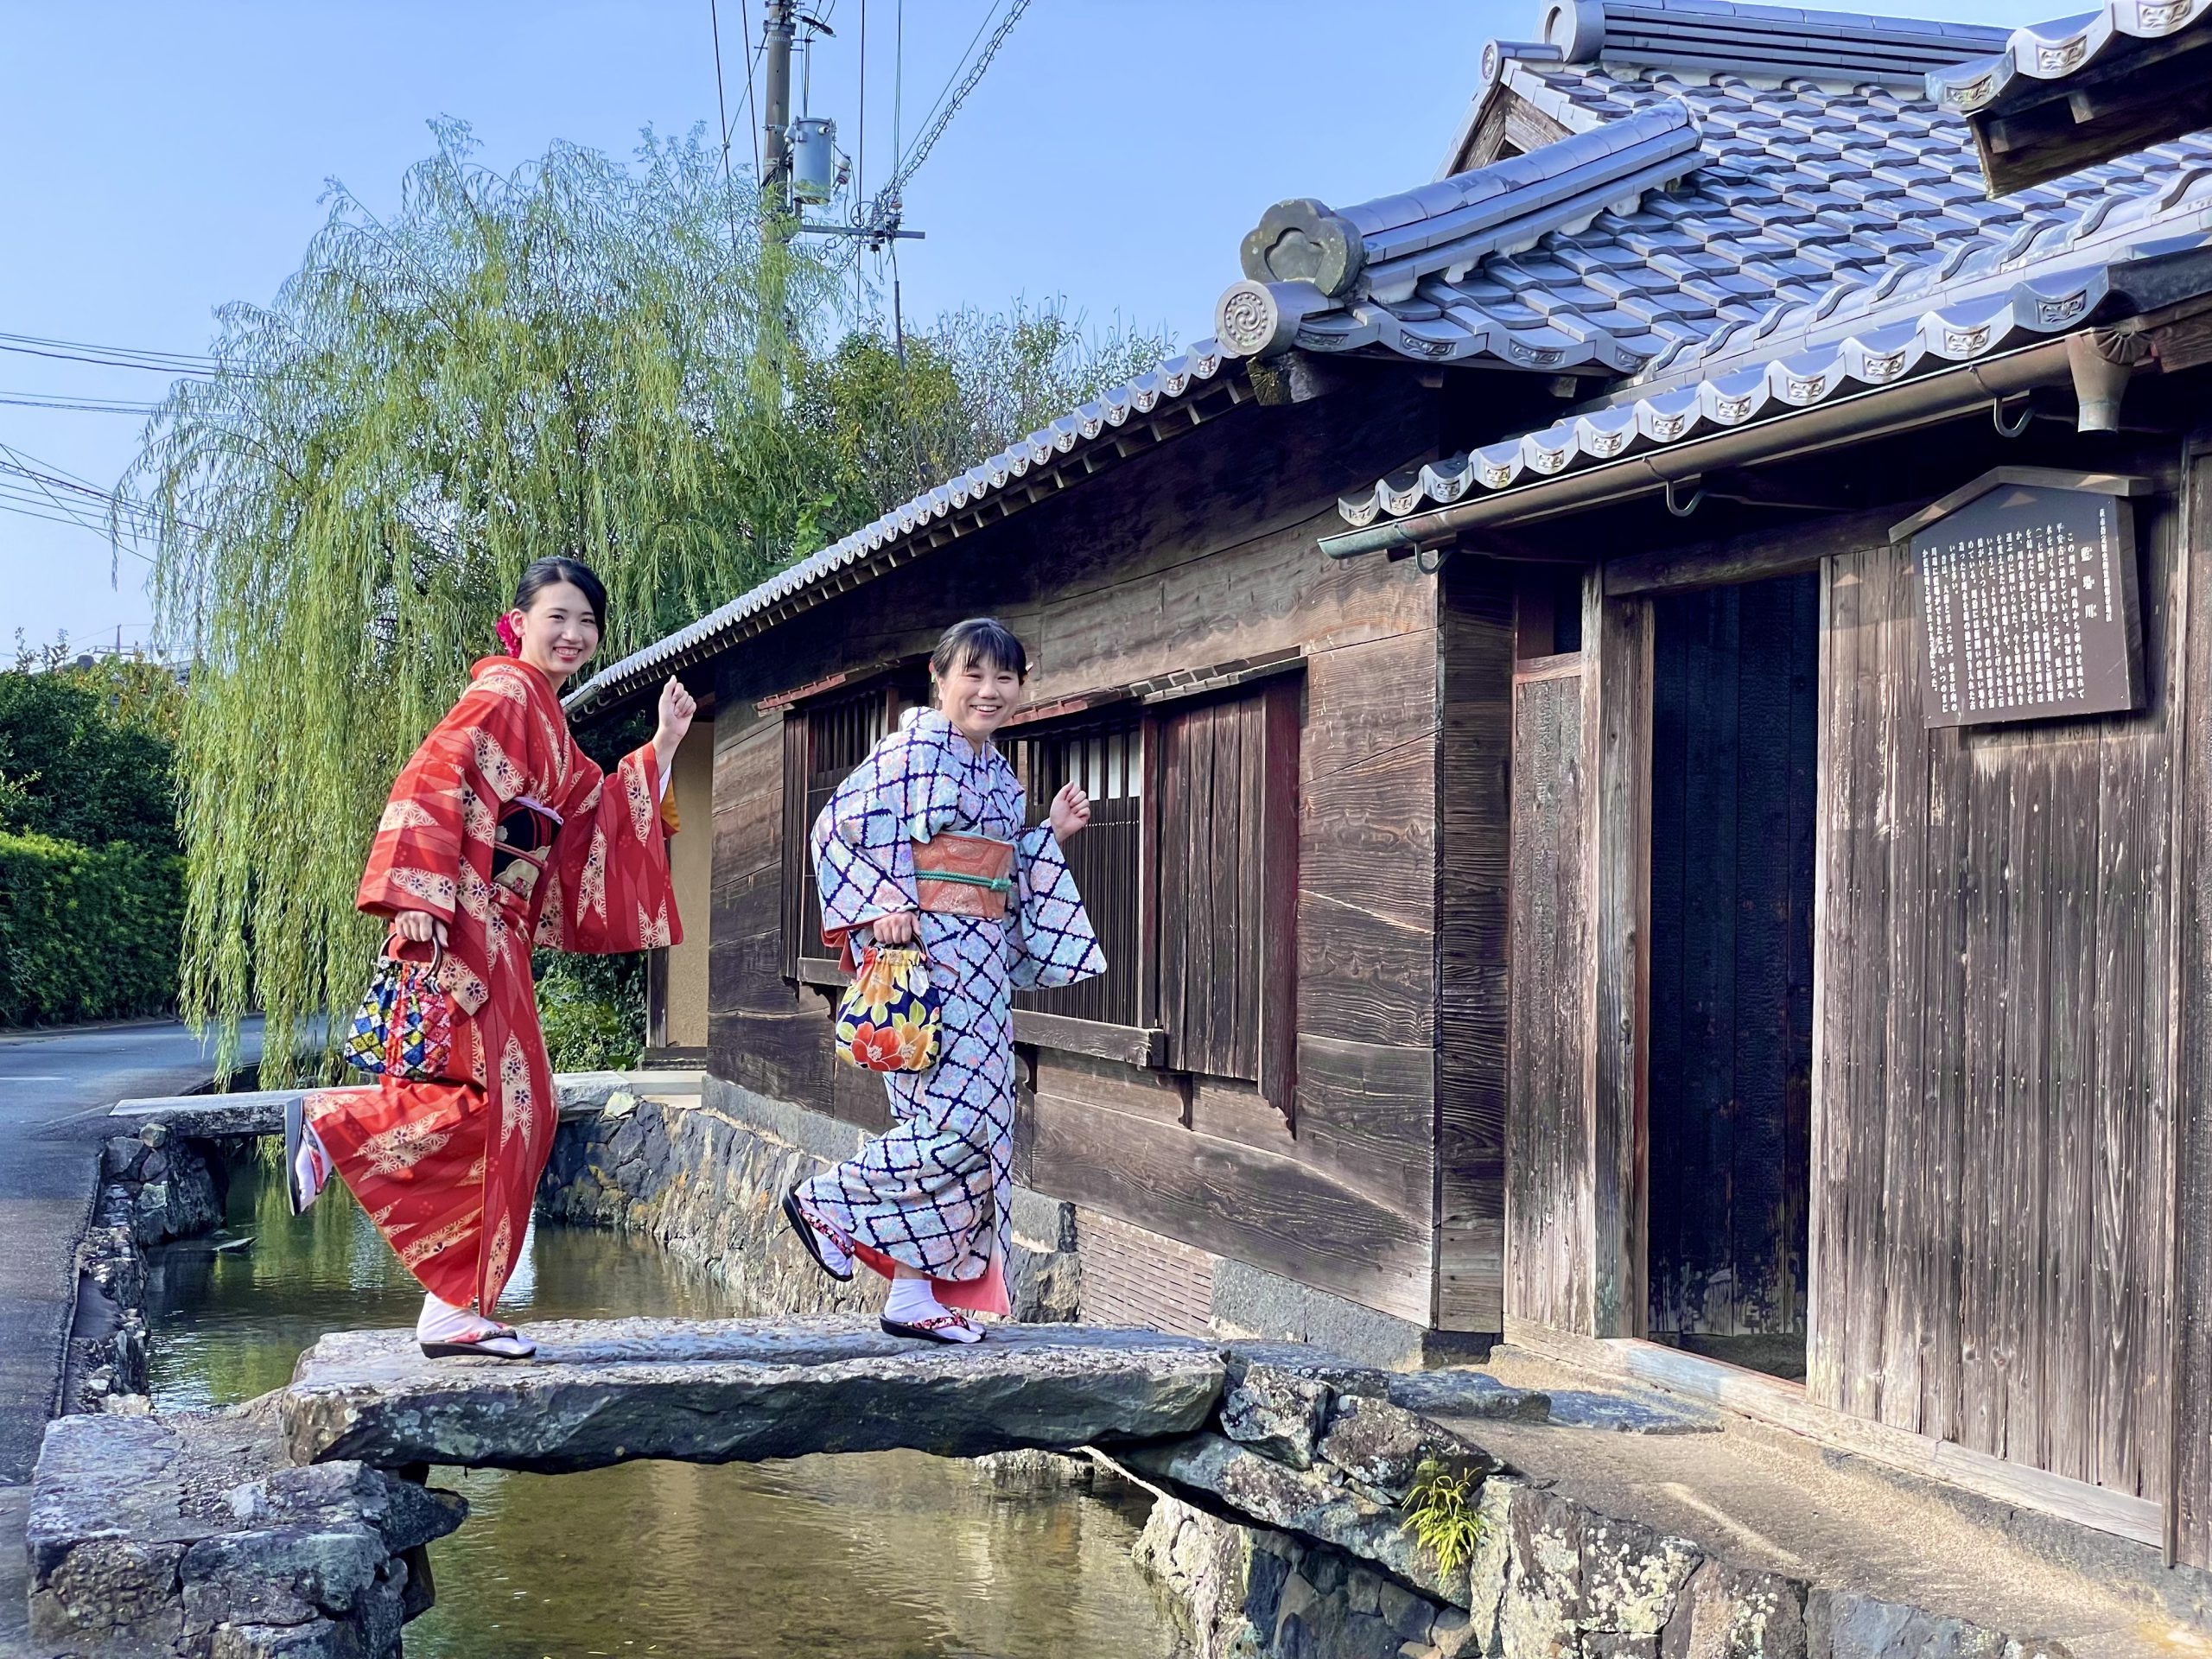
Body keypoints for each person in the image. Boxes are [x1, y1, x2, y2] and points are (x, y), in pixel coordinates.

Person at [284, 556, 695, 1358]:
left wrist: (665, 746)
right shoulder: (506, 693)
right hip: (467, 915)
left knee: (520, 1106)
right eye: (558, 617)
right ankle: (343, 1136)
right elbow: (432, 776)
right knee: (514, 1104)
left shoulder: (551, 722)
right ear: (520, 622)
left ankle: (451, 1300)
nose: (574, 634)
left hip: (496, 928)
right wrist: (418, 895)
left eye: (587, 623)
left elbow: (595, 819)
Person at [783, 618, 1103, 1343]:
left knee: (983, 1127)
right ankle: (829, 1203)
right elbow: (835, 829)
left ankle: (912, 1295)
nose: (989, 691)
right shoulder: (910, 752)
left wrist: (1045, 834)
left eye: (1005, 678)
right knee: (950, 1127)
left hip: (982, 967)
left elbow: (996, 869)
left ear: (1021, 686)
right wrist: (882, 905)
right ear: (940, 675)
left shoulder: (999, 774)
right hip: (928, 961)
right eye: (974, 674)